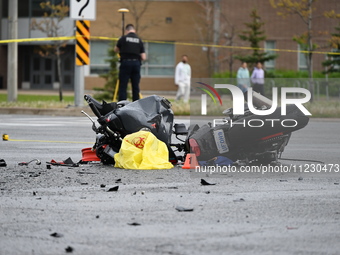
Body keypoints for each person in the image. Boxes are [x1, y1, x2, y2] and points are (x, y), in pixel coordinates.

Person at [114, 24, 146, 101]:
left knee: (123, 85)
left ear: (126, 31)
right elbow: (143, 57)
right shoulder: (139, 40)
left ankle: (122, 103)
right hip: (136, 64)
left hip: (125, 63)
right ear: (134, 30)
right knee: (135, 85)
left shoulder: (123, 39)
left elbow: (115, 50)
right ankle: (136, 103)